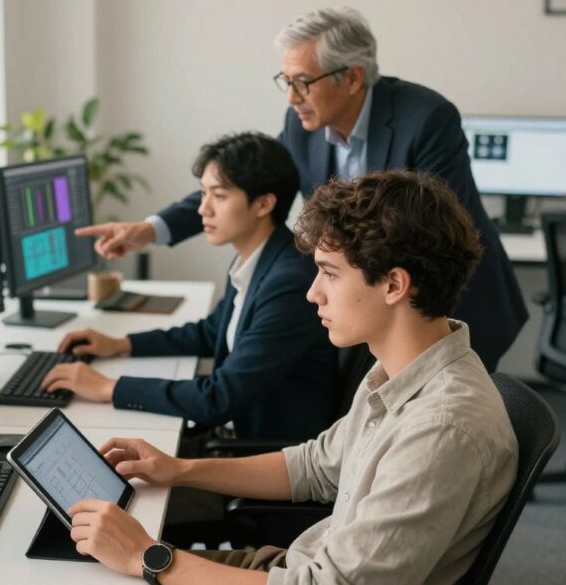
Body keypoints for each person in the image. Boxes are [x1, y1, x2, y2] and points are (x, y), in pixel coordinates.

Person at [64, 171, 519, 584]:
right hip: (293, 567)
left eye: (329, 274)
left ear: (394, 285)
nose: (312, 292)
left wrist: (148, 556)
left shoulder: (440, 429)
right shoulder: (399, 370)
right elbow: (315, 466)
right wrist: (180, 469)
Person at [74, 7, 526, 372]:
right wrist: (151, 230)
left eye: (302, 82)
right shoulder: (303, 123)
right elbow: (248, 183)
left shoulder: (425, 118)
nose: (291, 97)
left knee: (453, 441)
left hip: (447, 308)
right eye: (286, 81)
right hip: (370, 307)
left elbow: (435, 234)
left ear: (350, 78)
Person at [43, 131, 337, 441]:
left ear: (264, 204)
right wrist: (121, 344)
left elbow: (218, 398)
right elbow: (212, 332)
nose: (203, 209)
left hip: (267, 453)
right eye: (203, 193)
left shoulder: (287, 282)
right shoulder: (260, 258)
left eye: (219, 196)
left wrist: (107, 387)